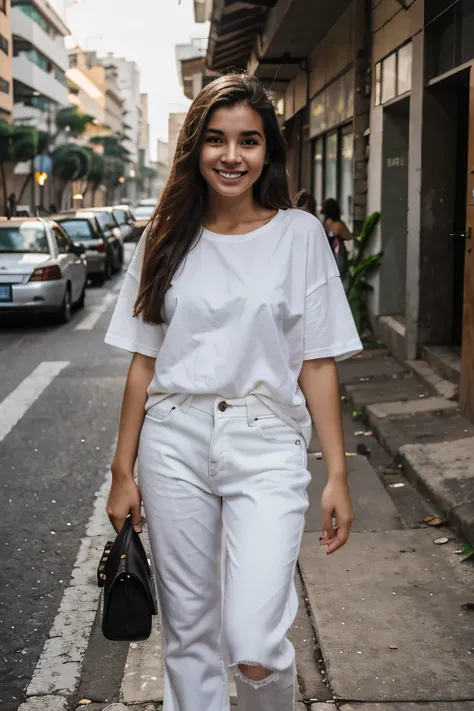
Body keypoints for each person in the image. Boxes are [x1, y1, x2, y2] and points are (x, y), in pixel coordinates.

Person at [104, 73, 362, 711]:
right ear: (195, 148)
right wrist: (122, 469)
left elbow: (318, 363)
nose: (231, 156)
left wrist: (337, 473)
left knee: (253, 639)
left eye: (248, 141)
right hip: (174, 442)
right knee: (189, 636)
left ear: (268, 151)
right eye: (216, 140)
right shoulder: (164, 235)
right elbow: (144, 360)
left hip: (266, 440)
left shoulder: (299, 235)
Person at [320, 197, 352, 279]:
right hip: (338, 254)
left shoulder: (325, 223)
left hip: (328, 255)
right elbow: (349, 236)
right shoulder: (339, 224)